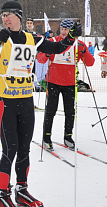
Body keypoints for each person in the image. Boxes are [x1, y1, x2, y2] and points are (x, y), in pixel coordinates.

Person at [0, 0, 82, 207]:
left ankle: (21, 190)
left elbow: (58, 48)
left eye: (9, 14)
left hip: (25, 99)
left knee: (24, 148)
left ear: (19, 16)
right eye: (2, 15)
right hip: (5, 99)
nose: (5, 18)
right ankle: (3, 195)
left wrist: (71, 36)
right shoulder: (0, 37)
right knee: (9, 149)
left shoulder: (33, 38)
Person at [36, 18, 94, 150]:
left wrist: (84, 51)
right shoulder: (52, 42)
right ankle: (46, 137)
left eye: (66, 30)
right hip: (53, 82)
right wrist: (46, 52)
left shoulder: (77, 44)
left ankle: (68, 136)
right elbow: (40, 59)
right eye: (62, 29)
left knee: (70, 111)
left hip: (70, 83)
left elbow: (90, 63)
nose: (63, 32)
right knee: (51, 110)